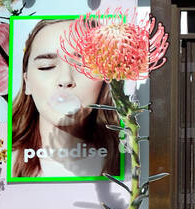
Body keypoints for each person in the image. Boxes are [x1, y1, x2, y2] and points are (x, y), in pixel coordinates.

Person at [11, 18, 120, 180]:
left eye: (83, 65)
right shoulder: (3, 162)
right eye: (46, 66)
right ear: (27, 82)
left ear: (105, 78)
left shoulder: (131, 162)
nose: (65, 80)